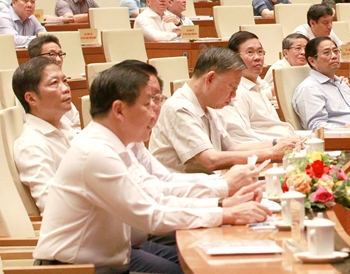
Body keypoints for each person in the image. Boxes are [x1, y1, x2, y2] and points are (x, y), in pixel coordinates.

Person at [34, 60, 270, 272]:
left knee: (204, 257)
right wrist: (225, 212)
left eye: (159, 100)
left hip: (114, 256)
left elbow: (157, 191)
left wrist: (221, 202)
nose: (157, 111)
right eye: (150, 102)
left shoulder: (119, 144)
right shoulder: (96, 153)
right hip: (76, 269)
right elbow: (151, 215)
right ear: (119, 109)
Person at [150, 47, 298, 172]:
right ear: (210, 79)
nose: (233, 96)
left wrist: (279, 142)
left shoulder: (209, 105)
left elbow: (232, 148)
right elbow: (210, 160)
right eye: (232, 88)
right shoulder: (179, 108)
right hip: (182, 194)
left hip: (208, 184)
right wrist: (271, 153)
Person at [12, 57, 77, 213]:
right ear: (31, 98)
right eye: (54, 83)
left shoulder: (65, 127)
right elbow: (52, 208)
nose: (66, 88)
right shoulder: (32, 145)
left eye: (65, 81)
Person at [226, 31, 297, 139]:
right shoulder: (236, 92)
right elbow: (243, 137)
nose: (257, 57)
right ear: (233, 57)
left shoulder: (258, 86)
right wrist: (278, 144)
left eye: (260, 52)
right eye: (250, 52)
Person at [292, 36, 350, 129]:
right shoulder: (309, 88)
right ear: (312, 61)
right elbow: (316, 126)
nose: (334, 56)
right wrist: (345, 129)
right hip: (343, 139)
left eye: (336, 51)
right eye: (327, 53)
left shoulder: (342, 83)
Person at [26, 35, 82, 129]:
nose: (58, 59)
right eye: (51, 54)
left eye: (60, 54)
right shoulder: (28, 87)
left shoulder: (62, 86)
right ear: (35, 59)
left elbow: (77, 120)